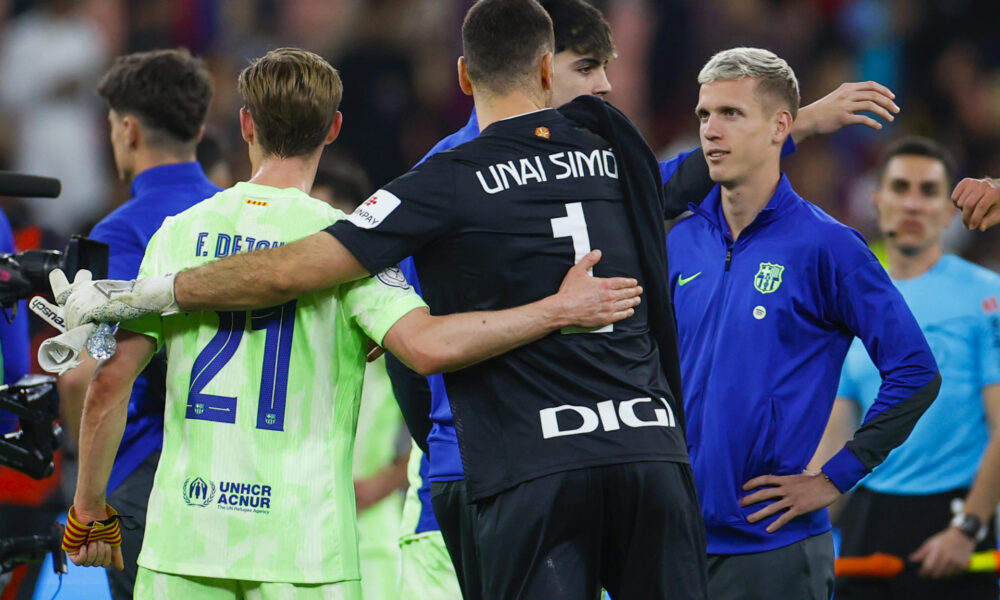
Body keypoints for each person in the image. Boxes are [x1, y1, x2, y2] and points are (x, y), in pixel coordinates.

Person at [57, 2, 715, 597]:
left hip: (189, 535)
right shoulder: (615, 152)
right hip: (307, 544)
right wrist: (556, 310)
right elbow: (426, 345)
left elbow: (107, 375)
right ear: (336, 128)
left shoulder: (183, 232)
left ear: (245, 124)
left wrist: (87, 512)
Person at [390, 0, 902, 595]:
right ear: (541, 70)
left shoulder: (592, 169)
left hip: (589, 463)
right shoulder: (449, 175)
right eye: (587, 68)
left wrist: (793, 122)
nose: (604, 85)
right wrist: (450, 445)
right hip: (485, 474)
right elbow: (407, 339)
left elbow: (669, 182)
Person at [666, 48, 941, 600]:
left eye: (731, 114)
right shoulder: (678, 242)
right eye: (704, 115)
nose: (711, 132)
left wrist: (834, 476)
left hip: (775, 551)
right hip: (673, 543)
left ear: (781, 128)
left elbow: (916, 370)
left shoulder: (828, 246)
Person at [45, 48, 220, 600]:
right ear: (198, 127)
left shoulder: (117, 235)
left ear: (127, 130)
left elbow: (85, 375)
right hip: (238, 468)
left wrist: (88, 489)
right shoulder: (239, 221)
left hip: (149, 476)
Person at [811, 137, 1000, 599]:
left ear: (948, 210)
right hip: (867, 519)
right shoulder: (848, 299)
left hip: (953, 520)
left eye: (928, 190)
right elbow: (839, 428)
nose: (913, 202)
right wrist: (798, 517)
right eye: (900, 186)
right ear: (877, 200)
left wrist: (969, 526)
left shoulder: (986, 296)